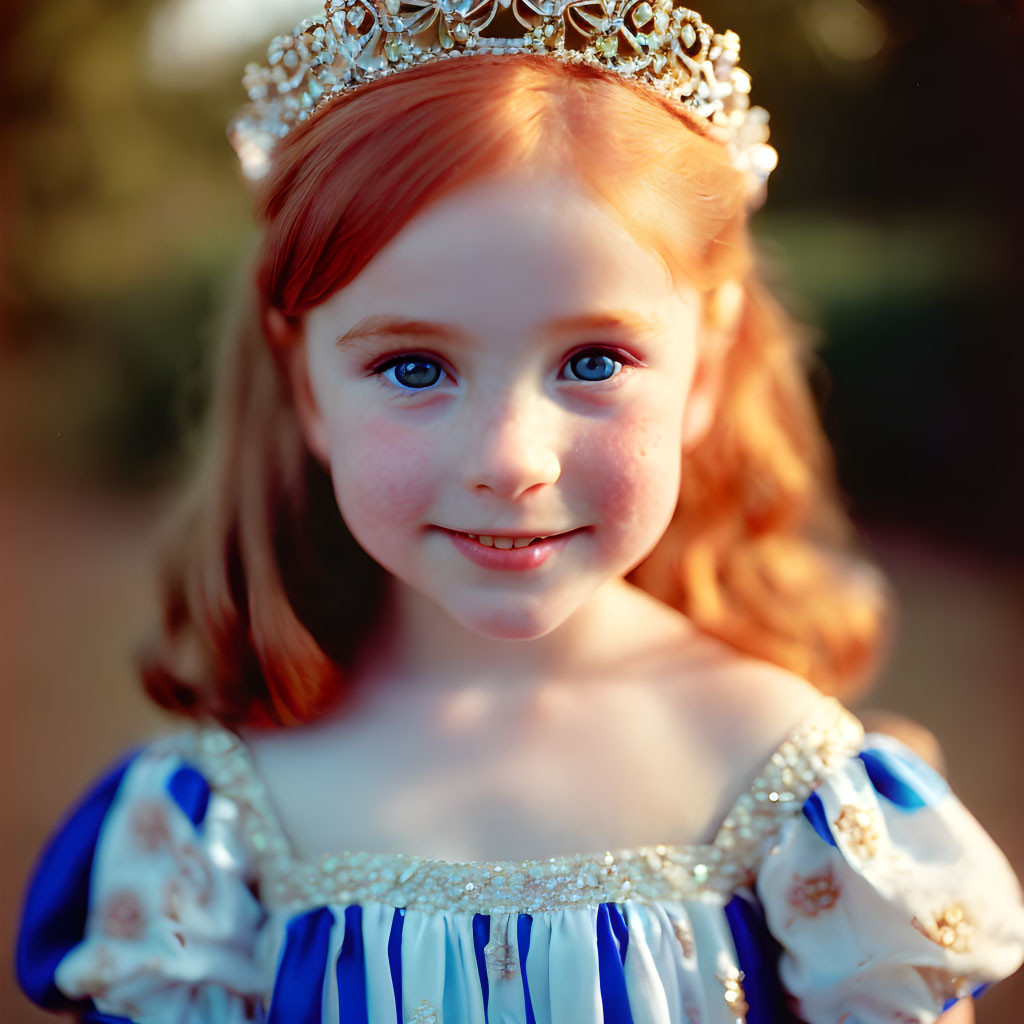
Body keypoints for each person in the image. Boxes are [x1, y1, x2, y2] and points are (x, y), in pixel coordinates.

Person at [15, 2, 1024, 1021]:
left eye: (594, 361)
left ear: (704, 368)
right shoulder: (212, 826)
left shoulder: (793, 793)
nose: (509, 458)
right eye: (413, 367)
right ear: (308, 389)